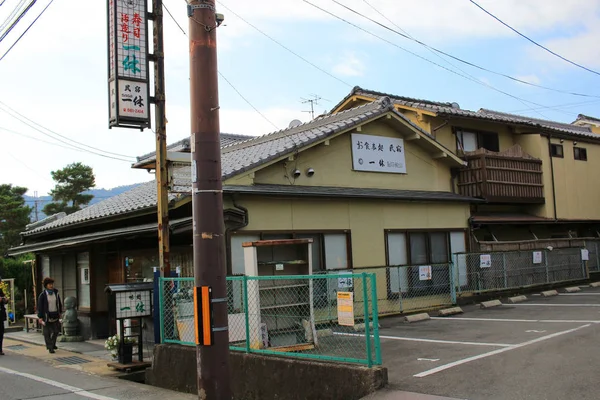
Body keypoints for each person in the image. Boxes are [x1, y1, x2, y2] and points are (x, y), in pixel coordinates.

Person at [37, 277, 62, 354]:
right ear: (46, 285)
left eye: (52, 284)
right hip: (46, 316)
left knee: (56, 331)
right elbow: (40, 307)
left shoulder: (56, 293)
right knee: (47, 333)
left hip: (55, 314)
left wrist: (60, 312)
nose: (51, 286)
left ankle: (53, 344)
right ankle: (50, 347)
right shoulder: (43, 295)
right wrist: (40, 317)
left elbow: (59, 303)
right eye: (49, 284)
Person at [0, 276, 7, 356]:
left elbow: (4, 299)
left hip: (1, 315)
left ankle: (0, 349)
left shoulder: (0, 290)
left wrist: (5, 299)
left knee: (1, 332)